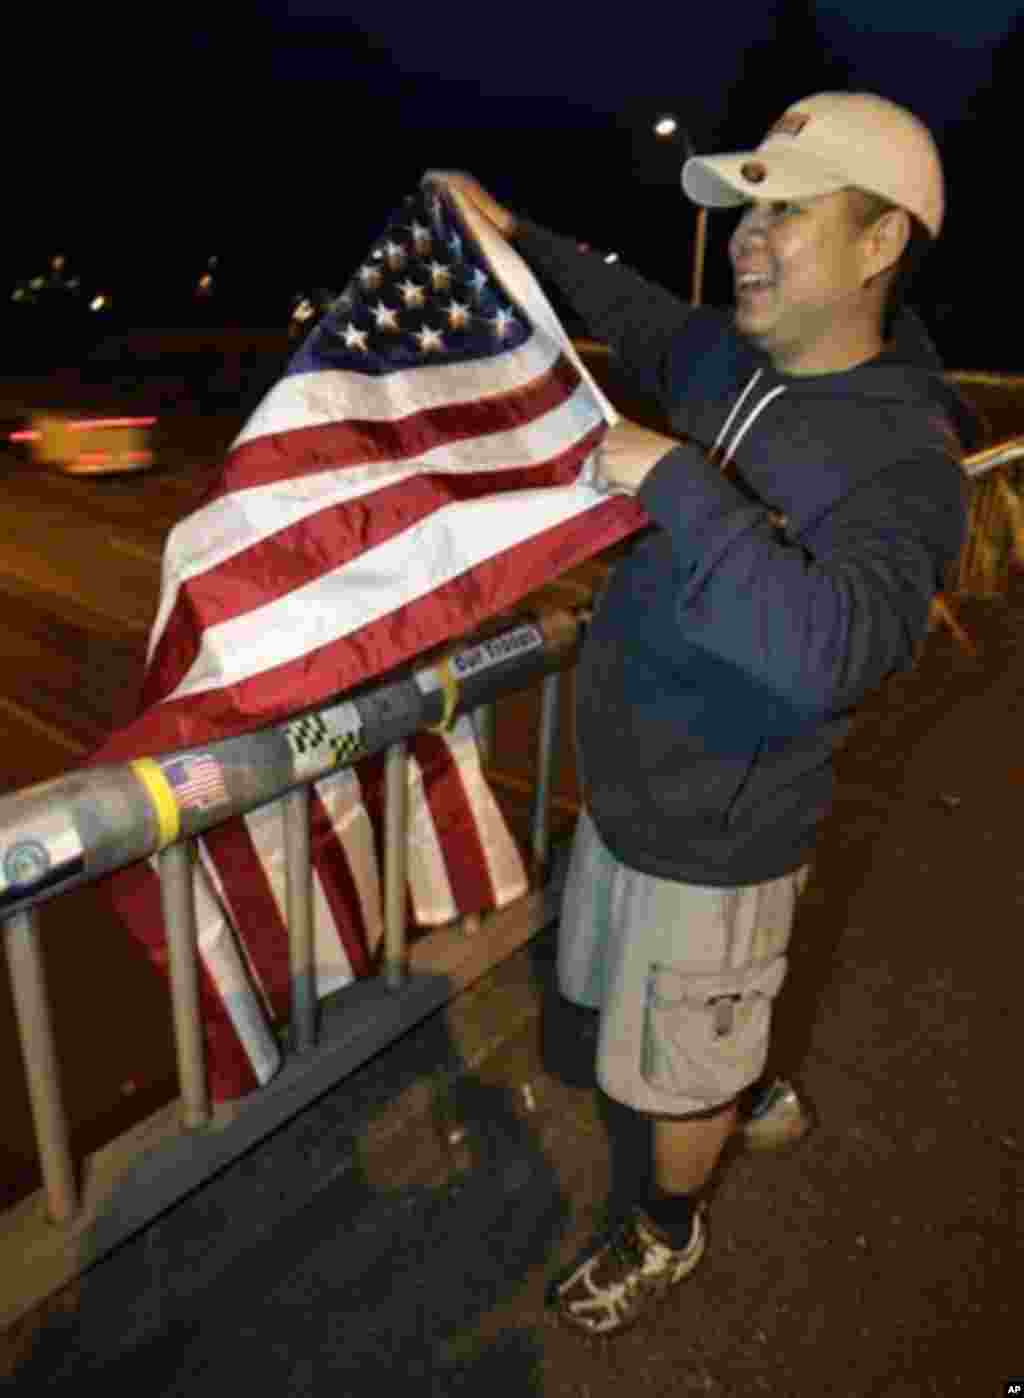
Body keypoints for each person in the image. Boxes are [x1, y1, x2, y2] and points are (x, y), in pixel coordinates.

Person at [431, 90, 978, 1337]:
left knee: (680, 1063)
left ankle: (666, 1228)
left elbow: (827, 653)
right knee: (667, 1023)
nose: (746, 232)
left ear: (879, 243)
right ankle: (744, 1068)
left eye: (786, 209)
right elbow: (626, 308)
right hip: (631, 793)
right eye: (746, 205)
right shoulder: (733, 362)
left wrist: (676, 478)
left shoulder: (906, 461)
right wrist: (510, 230)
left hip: (723, 841)